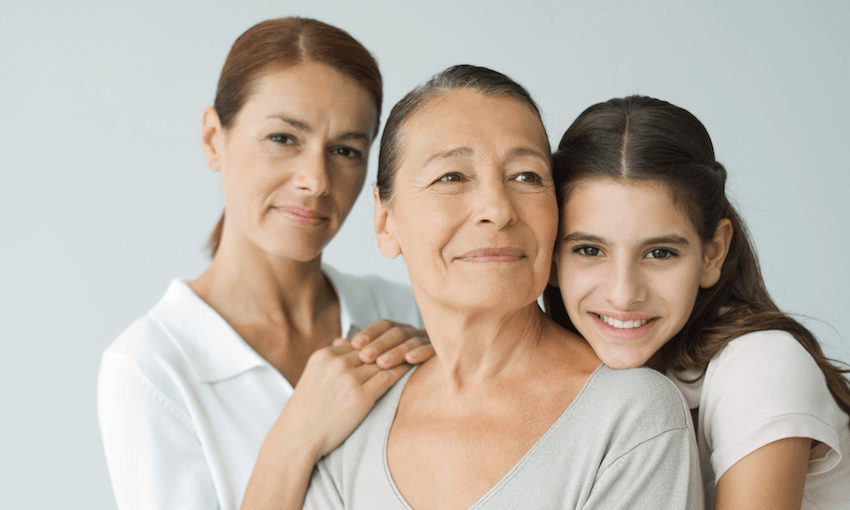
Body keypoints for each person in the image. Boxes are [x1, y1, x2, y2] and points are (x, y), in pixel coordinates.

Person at [301, 66, 703, 509]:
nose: (498, 208)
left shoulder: (630, 415)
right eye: (451, 177)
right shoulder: (355, 417)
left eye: (526, 176)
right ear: (384, 222)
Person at [97, 18, 435, 510]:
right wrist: (294, 440)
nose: (316, 180)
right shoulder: (150, 368)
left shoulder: (404, 312)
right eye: (283, 138)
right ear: (214, 139)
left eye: (345, 150)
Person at [544, 95, 850, 509]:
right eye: (589, 250)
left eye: (660, 253)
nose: (623, 292)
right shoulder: (567, 370)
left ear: (712, 255)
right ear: (550, 255)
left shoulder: (762, 365)